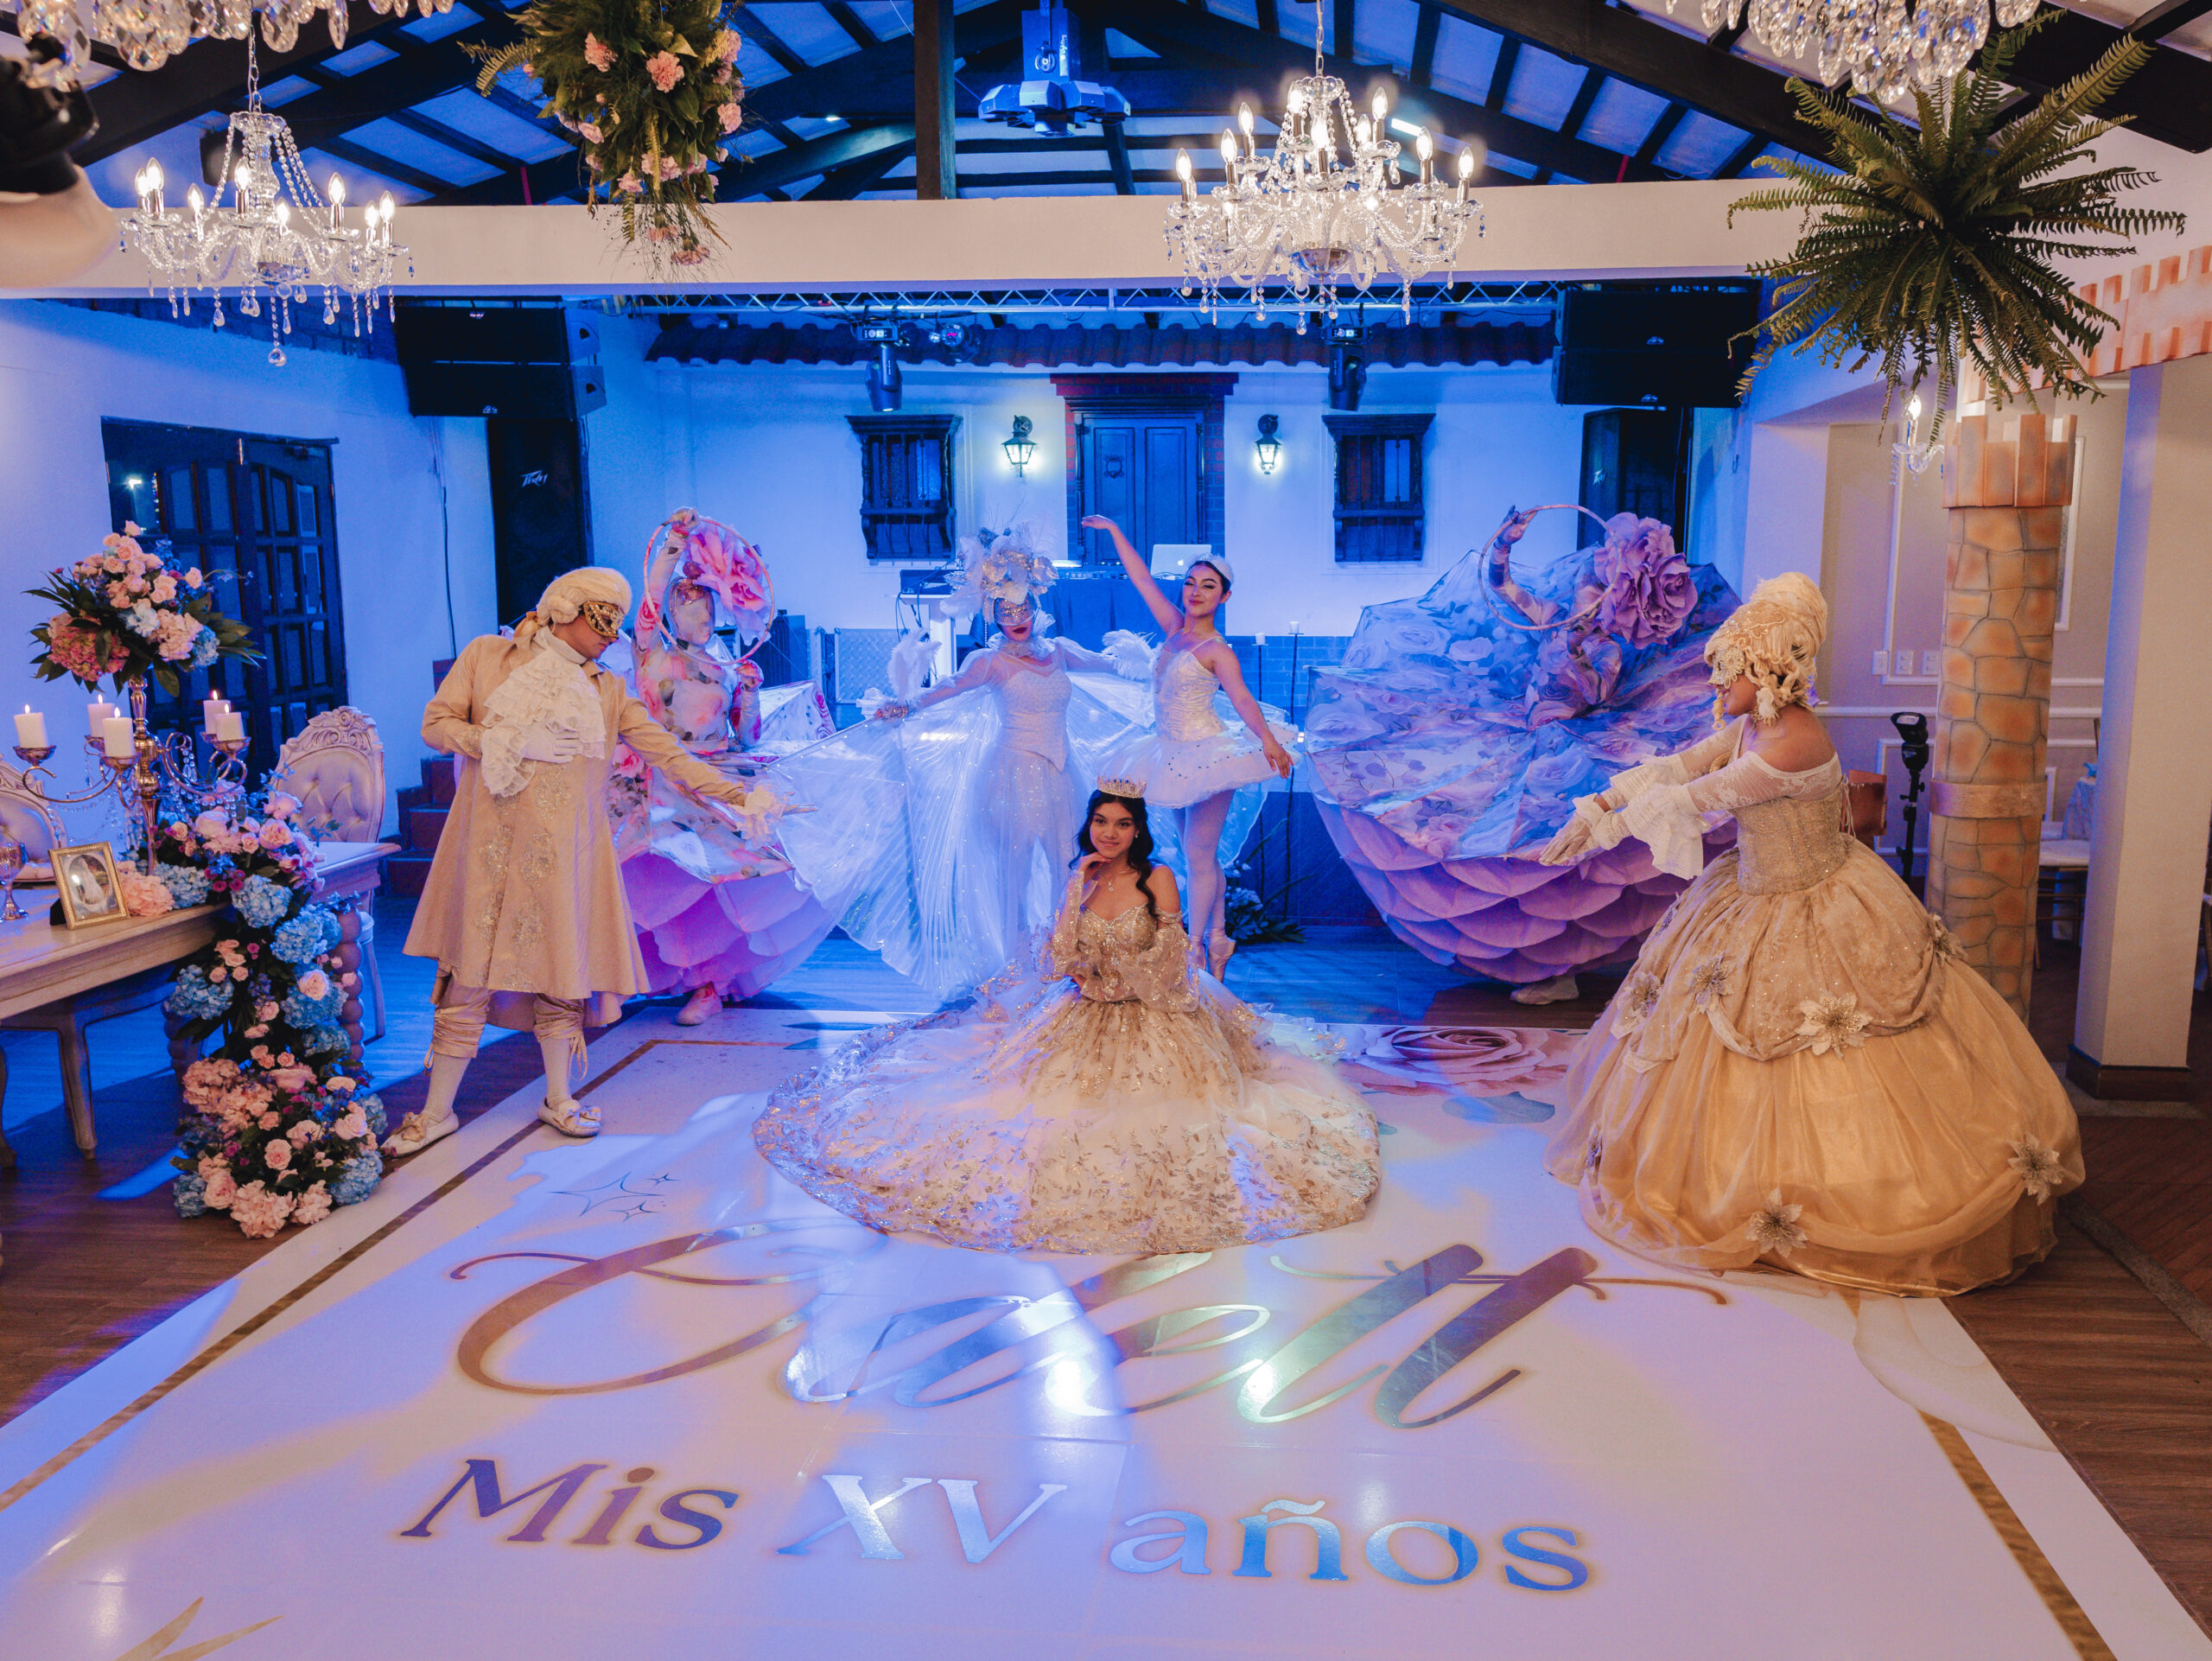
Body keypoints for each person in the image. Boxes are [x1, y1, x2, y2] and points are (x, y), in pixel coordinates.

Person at [1535, 573, 2082, 1295]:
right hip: (1750, 887)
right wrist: (1597, 803)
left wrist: (1603, 828)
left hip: (1814, 900)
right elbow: (1681, 764)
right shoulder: (1755, 724)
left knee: (1821, 1049)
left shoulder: (1791, 747)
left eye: (1728, 670)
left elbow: (1691, 798)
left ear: (1767, 669)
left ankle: (1838, 1195)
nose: (1716, 684)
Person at [754, 785, 1381, 1253]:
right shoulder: (1083, 876)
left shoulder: (1159, 878)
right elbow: (1057, 960)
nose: (1109, 833)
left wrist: (1114, 982)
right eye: (1101, 822)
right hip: (1081, 1009)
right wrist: (1075, 891)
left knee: (1164, 1116)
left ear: (1138, 830)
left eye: (1122, 824)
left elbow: (1172, 965)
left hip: (1153, 1012)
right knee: (1013, 1100)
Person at [387, 567, 755, 1155]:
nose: (612, 635)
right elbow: (437, 724)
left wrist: (740, 795)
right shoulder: (487, 656)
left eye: (618, 621)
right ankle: (436, 1113)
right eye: (603, 618)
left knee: (562, 978)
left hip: (566, 858)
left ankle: (558, 1097)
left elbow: (669, 753)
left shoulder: (607, 690)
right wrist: (503, 741)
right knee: (467, 980)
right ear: (565, 609)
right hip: (487, 852)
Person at [774, 525, 1153, 1002]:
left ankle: (1069, 956)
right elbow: (949, 688)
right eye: (1005, 610)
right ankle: (1016, 964)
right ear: (992, 614)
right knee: (1014, 875)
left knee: (1071, 867)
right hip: (1013, 775)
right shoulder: (989, 662)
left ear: (1035, 605)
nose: (1016, 618)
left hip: (1061, 775)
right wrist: (907, 704)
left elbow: (1111, 666)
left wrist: (1159, 667)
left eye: (1023, 607)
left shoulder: (1059, 652)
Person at [613, 510, 836, 1025]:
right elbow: (651, 592)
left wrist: (750, 695)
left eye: (709, 607)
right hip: (659, 777)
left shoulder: (727, 667)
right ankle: (623, 978)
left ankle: (709, 982)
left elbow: (747, 736)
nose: (702, 615)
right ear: (670, 613)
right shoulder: (649, 650)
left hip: (716, 774)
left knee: (725, 875)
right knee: (654, 874)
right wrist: (675, 541)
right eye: (690, 606)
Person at [1083, 517, 1298, 977]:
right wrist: (1115, 531)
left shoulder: (1218, 650)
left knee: (1199, 857)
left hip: (1208, 754)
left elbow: (1242, 699)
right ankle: (1218, 937)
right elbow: (1142, 580)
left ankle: (1193, 948)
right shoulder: (1173, 629)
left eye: (1208, 586)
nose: (1196, 592)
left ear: (1224, 597)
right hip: (1169, 753)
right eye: (1190, 583)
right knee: (1198, 855)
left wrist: (1269, 742)